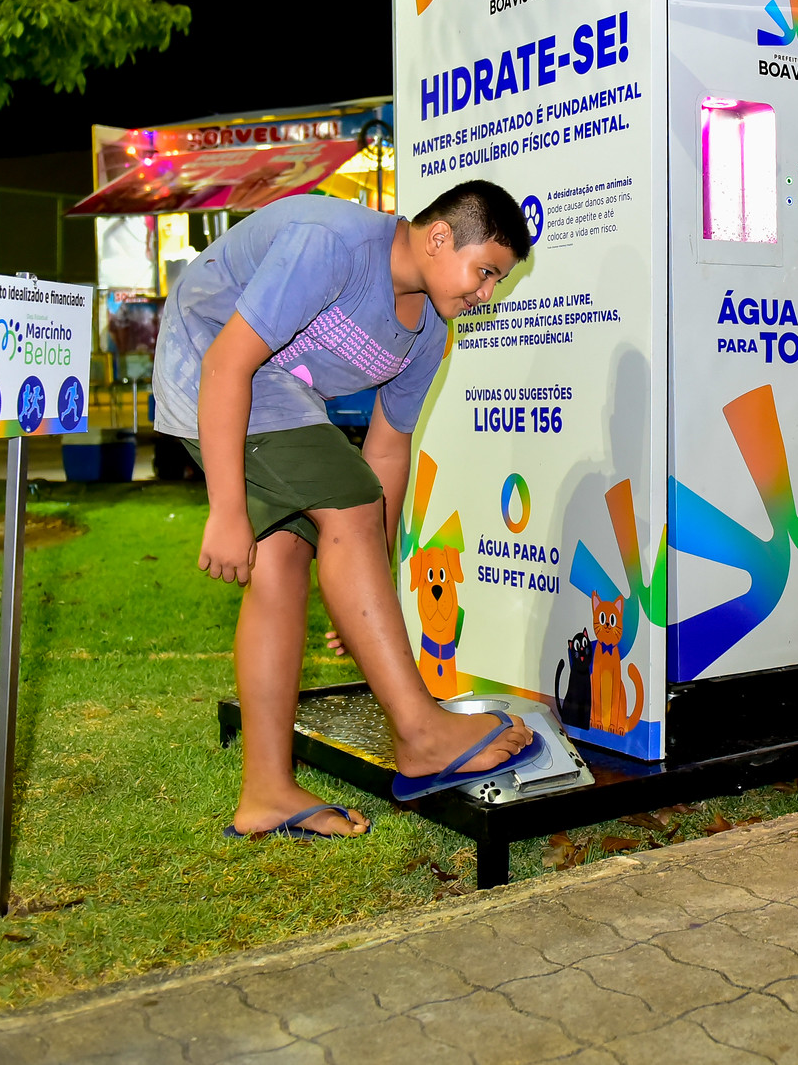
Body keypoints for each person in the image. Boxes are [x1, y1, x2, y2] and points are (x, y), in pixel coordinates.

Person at [154, 180, 535, 839]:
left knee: (283, 558)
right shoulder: (332, 245)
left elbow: (387, 452)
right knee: (346, 497)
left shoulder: (428, 333)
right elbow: (226, 363)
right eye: (486, 272)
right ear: (439, 238)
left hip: (275, 393)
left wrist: (365, 587)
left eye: (498, 280)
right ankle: (420, 733)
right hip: (208, 364)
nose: (488, 293)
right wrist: (226, 510)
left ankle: (266, 792)